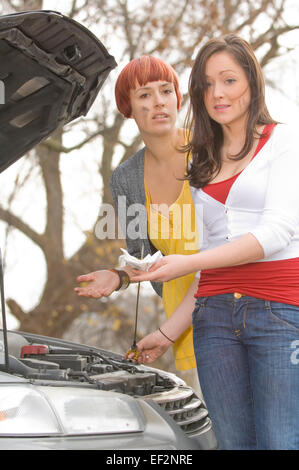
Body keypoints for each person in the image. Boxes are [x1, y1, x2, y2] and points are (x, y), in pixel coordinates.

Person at [129, 34, 299, 450]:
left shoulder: (284, 142)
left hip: (278, 312)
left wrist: (185, 262)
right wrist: (167, 334)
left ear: (251, 83)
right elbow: (209, 270)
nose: (217, 94)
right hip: (214, 320)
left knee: (280, 441)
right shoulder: (203, 159)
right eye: (206, 84)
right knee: (234, 444)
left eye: (229, 80)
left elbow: (278, 233)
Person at [74, 56, 199, 373]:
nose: (158, 102)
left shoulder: (208, 149)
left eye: (166, 91)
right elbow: (143, 258)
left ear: (177, 98)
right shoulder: (125, 179)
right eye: (144, 95)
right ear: (127, 107)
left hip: (241, 304)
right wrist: (117, 277)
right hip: (187, 326)